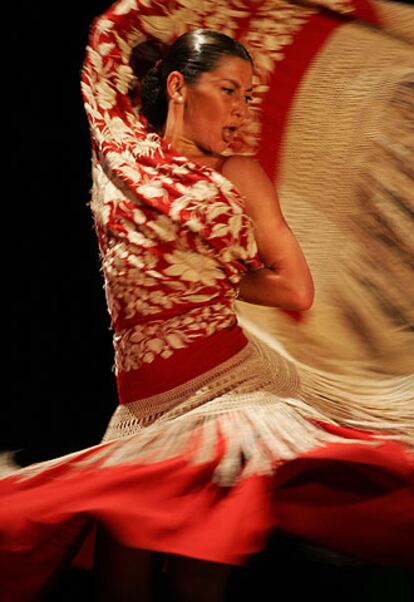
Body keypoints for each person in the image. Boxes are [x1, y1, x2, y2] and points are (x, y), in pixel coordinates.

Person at [1, 2, 413, 601]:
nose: (241, 111)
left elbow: (295, 287)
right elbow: (110, 40)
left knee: (196, 580)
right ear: (177, 86)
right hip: (141, 416)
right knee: (120, 589)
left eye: (248, 97)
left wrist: (208, 278)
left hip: (223, 398)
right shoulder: (119, 161)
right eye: (228, 90)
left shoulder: (238, 174)